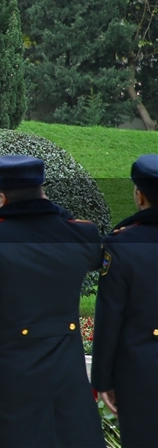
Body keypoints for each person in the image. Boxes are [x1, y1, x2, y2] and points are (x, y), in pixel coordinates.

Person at [0, 155, 104, 448]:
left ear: (0, 195)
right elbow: (92, 256)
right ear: (42, 189)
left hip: (11, 373)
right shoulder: (79, 233)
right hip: (67, 371)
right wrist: (51, 211)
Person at [91, 153, 158, 448]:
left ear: (139, 196)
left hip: (141, 373)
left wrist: (103, 379)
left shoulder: (122, 246)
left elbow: (109, 316)